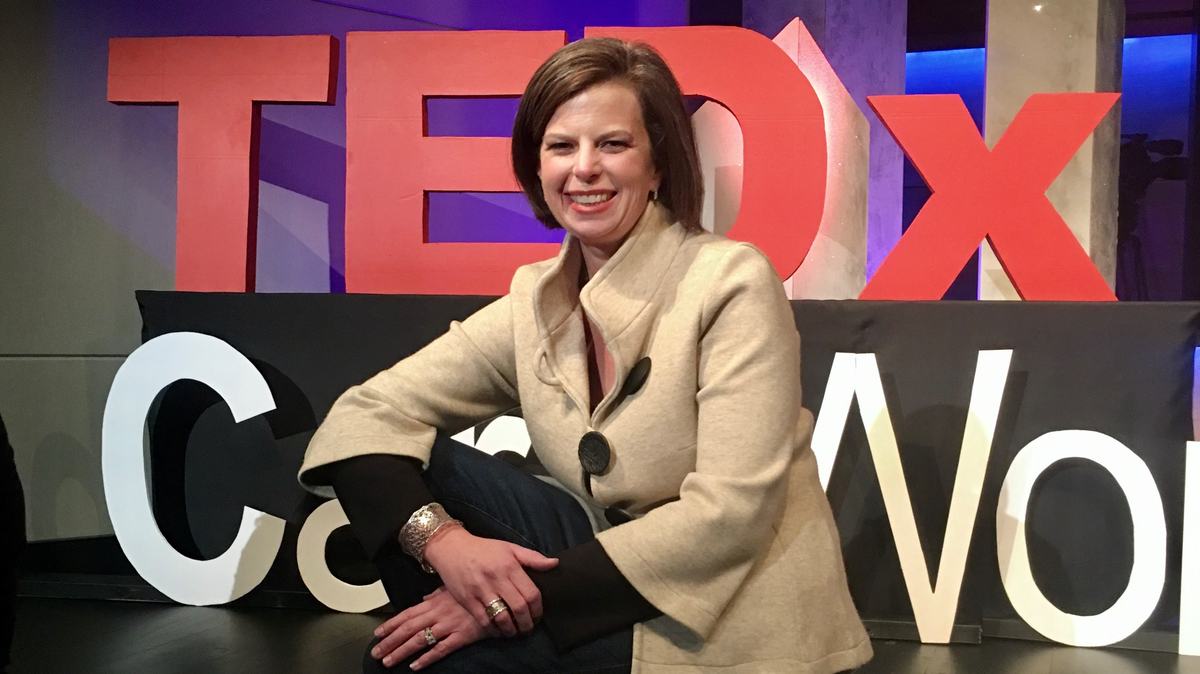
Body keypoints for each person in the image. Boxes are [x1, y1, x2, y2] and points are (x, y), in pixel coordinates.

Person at [299, 37, 872, 673]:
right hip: (606, 573)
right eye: (562, 146)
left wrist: (499, 604)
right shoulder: (535, 299)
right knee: (409, 464)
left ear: (658, 166)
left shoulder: (730, 281)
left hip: (726, 608)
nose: (585, 168)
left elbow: (728, 517)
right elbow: (366, 411)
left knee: (431, 660)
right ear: (537, 170)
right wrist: (448, 547)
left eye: (613, 144)